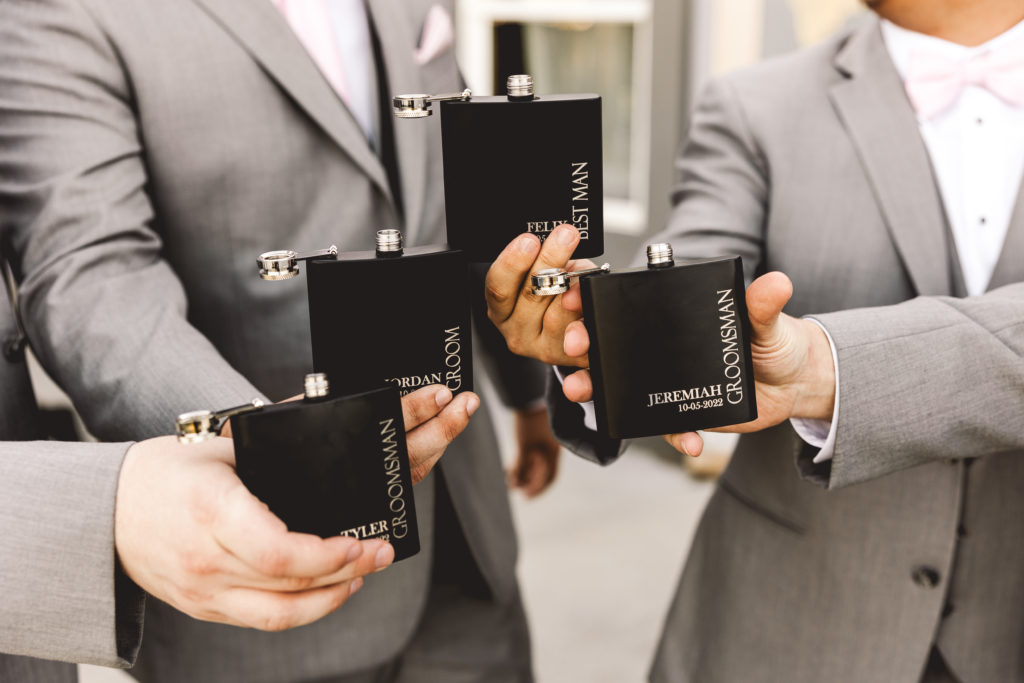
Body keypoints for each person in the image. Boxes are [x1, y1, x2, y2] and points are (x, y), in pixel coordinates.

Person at [0, 0, 558, 681]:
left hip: (468, 551)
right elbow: (92, 281)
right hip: (271, 594)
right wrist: (280, 452)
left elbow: (460, 194)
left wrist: (529, 392)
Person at [484, 0, 1024, 680]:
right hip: (786, 620)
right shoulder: (753, 102)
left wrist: (827, 367)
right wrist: (596, 327)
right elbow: (688, 272)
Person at [0, 271, 478, 672]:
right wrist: (250, 442)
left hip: (469, 544)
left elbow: (77, 248)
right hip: (247, 628)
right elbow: (93, 274)